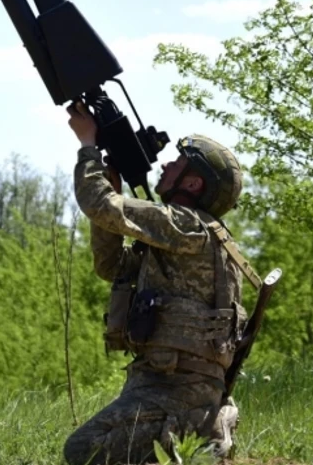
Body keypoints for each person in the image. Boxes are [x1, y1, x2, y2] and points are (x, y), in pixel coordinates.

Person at [62, 101, 258, 464]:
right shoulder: (185, 234)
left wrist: (87, 145)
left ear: (194, 183)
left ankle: (202, 436)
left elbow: (98, 203)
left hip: (178, 391)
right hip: (160, 383)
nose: (166, 165)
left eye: (178, 164)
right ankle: (206, 431)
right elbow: (111, 266)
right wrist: (112, 189)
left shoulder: (188, 225)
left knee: (82, 452)